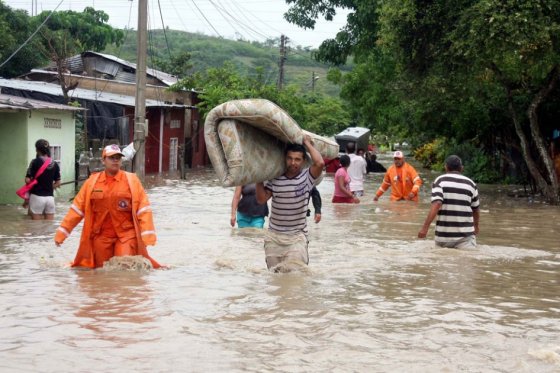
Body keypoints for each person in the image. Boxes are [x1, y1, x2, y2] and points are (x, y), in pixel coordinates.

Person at [54, 144, 161, 269]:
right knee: (100, 272)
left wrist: (148, 235)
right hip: (101, 236)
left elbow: (143, 210)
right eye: (111, 157)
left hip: (126, 235)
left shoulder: (132, 181)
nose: (115, 160)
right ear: (103, 160)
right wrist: (62, 234)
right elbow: (77, 210)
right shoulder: (91, 183)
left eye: (118, 157)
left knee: (123, 267)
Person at [255, 135, 324, 271]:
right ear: (285, 159)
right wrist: (258, 177)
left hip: (296, 238)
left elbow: (320, 163)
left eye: (297, 159)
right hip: (274, 237)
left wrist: (307, 144)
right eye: (290, 158)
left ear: (304, 161)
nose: (293, 163)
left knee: (295, 277)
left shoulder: (307, 177)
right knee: (275, 278)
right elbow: (261, 199)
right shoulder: (274, 178)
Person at [418, 155, 480, 249]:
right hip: (465, 237)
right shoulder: (471, 184)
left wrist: (425, 227)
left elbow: (437, 203)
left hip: (443, 237)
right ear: (461, 168)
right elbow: (476, 209)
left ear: (446, 167)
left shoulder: (439, 181)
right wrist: (476, 226)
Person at [25, 139, 61, 220]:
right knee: (48, 226)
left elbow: (27, 180)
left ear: (37, 149)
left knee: (36, 227)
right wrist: (49, 185)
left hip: (37, 197)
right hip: (50, 199)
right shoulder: (54, 164)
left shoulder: (34, 162)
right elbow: (58, 183)